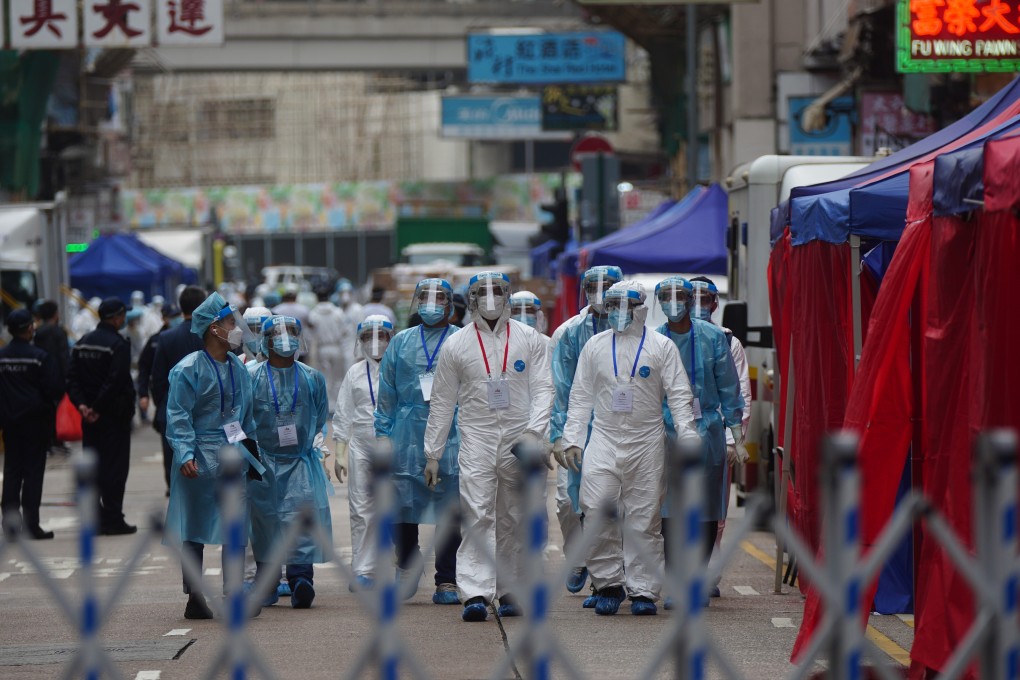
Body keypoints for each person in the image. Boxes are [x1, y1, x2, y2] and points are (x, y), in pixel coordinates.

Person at [560, 280, 699, 617]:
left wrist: (688, 433)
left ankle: (643, 590)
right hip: (604, 438)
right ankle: (607, 582)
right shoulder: (594, 346)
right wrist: (573, 438)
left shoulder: (661, 346)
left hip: (646, 440)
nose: (619, 314)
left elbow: (679, 394)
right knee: (595, 508)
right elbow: (579, 397)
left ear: (640, 309)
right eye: (613, 306)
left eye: (626, 306)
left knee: (644, 516)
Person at [424, 272, 555, 622]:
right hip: (477, 438)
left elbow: (545, 389)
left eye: (497, 290)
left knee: (514, 515)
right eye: (482, 292)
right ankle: (475, 593)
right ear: (471, 298)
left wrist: (534, 431)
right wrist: (432, 453)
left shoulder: (532, 339)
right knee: (477, 512)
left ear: (508, 294)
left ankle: (511, 588)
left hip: (519, 438)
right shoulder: (457, 345)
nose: (490, 297)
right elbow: (441, 401)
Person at [163, 291, 263, 620]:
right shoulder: (187, 369)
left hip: (232, 456)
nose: (237, 328)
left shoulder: (238, 367)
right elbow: (178, 416)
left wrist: (252, 458)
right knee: (194, 529)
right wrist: (185, 453)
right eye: (231, 322)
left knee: (235, 527)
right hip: (199, 459)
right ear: (213, 329)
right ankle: (194, 595)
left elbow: (246, 418)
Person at [374, 278, 462, 606]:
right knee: (401, 503)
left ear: (450, 305)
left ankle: (447, 579)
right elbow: (387, 394)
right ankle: (407, 564)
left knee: (449, 507)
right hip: (405, 433)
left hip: (453, 433)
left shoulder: (461, 340)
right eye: (425, 297)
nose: (431, 304)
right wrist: (382, 435)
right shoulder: (400, 342)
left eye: (439, 298)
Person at [247, 316, 331, 609]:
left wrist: (313, 442)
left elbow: (320, 418)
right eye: (278, 333)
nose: (286, 338)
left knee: (301, 519)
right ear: (265, 341)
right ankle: (267, 583)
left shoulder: (311, 377)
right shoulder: (251, 376)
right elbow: (243, 419)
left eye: (292, 332)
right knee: (264, 522)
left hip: (299, 461)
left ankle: (300, 580)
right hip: (262, 460)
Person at [550, 264, 622, 597]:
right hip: (578, 427)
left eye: (608, 285)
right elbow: (559, 388)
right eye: (594, 286)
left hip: (616, 428)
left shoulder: (632, 330)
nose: (601, 292)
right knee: (568, 502)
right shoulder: (568, 333)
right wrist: (559, 436)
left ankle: (602, 577)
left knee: (607, 503)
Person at [687, 275, 752, 598]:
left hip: (713, 435)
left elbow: (739, 393)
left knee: (714, 508)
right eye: (691, 297)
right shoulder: (665, 339)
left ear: (715, 304)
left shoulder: (728, 342)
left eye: (705, 298)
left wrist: (732, 439)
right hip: (677, 435)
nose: (698, 305)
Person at [329, 315, 394, 591]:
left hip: (394, 444)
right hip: (362, 447)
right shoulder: (355, 373)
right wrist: (340, 450)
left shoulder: (399, 369)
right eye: (369, 336)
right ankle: (363, 570)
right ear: (361, 341)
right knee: (361, 509)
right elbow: (343, 413)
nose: (376, 342)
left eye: (381, 336)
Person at [66, 297, 137, 536]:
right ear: (117, 317)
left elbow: (71, 379)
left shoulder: (82, 343)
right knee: (115, 469)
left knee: (93, 468)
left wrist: (83, 406)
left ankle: (95, 519)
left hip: (90, 420)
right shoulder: (118, 345)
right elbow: (116, 380)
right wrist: (96, 406)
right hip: (113, 418)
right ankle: (113, 519)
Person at [0, 310, 62, 539]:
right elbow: (54, 388)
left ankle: (10, 525)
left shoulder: (2, 357)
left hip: (10, 423)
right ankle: (31, 525)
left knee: (12, 472)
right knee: (33, 474)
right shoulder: (39, 357)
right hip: (36, 424)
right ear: (29, 328)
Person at [151, 286, 207, 494]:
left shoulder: (166, 337)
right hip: (206, 409)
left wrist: (163, 405)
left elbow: (157, 379)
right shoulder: (210, 335)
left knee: (174, 458)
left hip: (172, 408)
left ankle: (173, 491)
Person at [32, 300, 70, 454]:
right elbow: (64, 357)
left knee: (46, 410)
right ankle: (58, 439)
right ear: (55, 314)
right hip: (58, 377)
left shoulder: (38, 332)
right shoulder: (59, 332)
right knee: (59, 409)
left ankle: (48, 442)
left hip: (42, 377)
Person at [136, 304, 181, 432]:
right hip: (163, 395)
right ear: (163, 318)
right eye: (172, 317)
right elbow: (144, 366)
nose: (176, 319)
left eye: (177, 316)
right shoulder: (155, 341)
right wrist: (143, 394)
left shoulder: (187, 336)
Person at [307, 290, 349, 408]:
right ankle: (336, 406)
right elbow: (345, 331)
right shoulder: (338, 312)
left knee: (325, 378)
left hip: (322, 349)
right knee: (337, 378)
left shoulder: (313, 313)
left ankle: (325, 406)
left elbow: (310, 333)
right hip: (336, 347)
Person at [332, 280, 363, 373]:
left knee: (351, 371)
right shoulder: (337, 311)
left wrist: (361, 351)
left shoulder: (357, 310)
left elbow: (361, 331)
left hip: (352, 345)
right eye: (342, 293)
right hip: (338, 347)